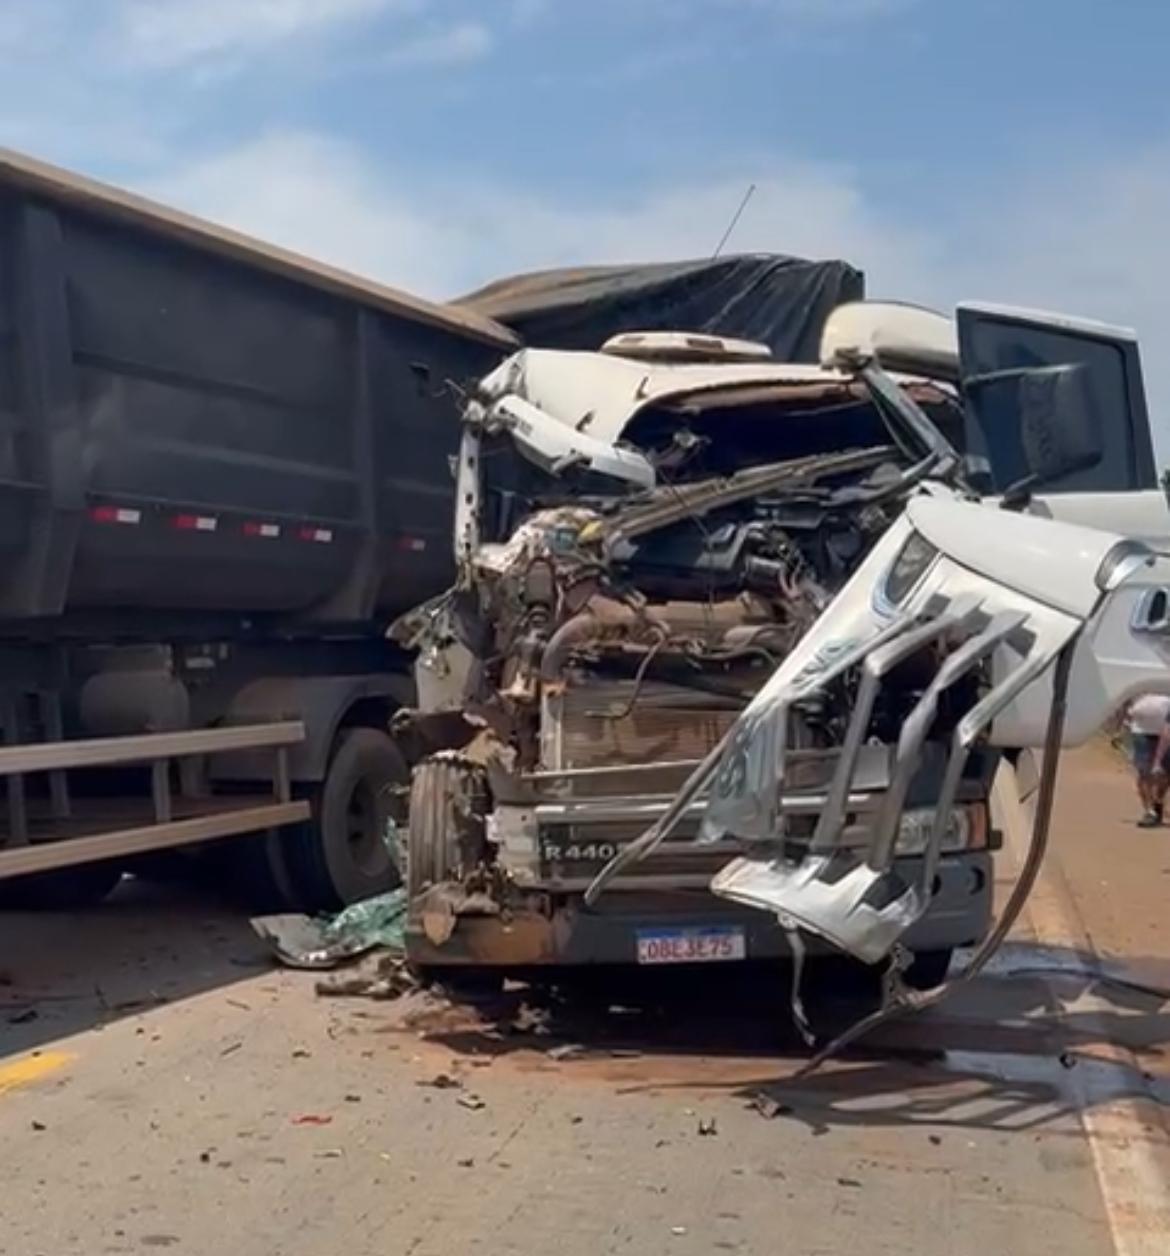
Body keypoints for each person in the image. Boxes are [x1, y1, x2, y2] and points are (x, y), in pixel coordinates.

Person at [1124, 693, 1170, 826]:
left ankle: (1158, 802)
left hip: (1165, 728)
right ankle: (1150, 811)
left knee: (1165, 774)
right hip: (1141, 730)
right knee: (1144, 772)